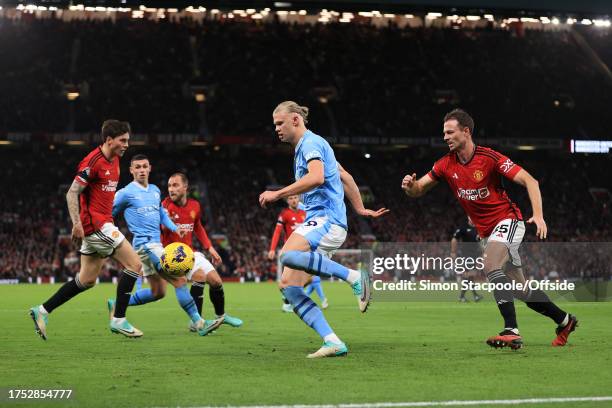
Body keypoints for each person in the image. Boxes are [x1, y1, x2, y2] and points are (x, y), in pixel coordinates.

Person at [401, 108, 578, 349]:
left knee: (490, 265)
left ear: (466, 132)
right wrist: (409, 186)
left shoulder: (490, 158)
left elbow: (530, 180)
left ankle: (511, 330)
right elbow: (419, 189)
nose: (445, 137)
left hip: (509, 221)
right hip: (488, 233)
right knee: (521, 290)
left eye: (450, 132)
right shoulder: (444, 165)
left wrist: (538, 215)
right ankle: (565, 320)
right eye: (443, 133)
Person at [259, 101, 388, 358]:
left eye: (279, 123)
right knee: (287, 285)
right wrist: (360, 209)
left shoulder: (310, 143)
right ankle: (332, 341)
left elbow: (317, 177)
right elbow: (346, 177)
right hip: (325, 221)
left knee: (287, 254)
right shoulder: (308, 147)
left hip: (326, 219)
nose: (276, 129)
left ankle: (354, 277)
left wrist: (278, 193)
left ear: (295, 119)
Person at [29, 120, 144, 339]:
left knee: (86, 280)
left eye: (127, 140)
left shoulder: (117, 159)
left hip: (102, 224)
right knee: (135, 265)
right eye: (123, 140)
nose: (127, 145)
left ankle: (42, 310)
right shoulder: (92, 162)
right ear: (109, 140)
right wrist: (77, 224)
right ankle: (119, 319)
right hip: (96, 225)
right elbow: (72, 193)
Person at [109, 155, 222, 336]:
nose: (141, 170)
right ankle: (199, 322)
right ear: (131, 170)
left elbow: (162, 214)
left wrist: (174, 228)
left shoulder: (154, 190)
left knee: (158, 292)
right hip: (146, 245)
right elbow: (109, 212)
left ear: (150, 168)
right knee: (180, 279)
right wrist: (111, 233)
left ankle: (117, 304)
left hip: (154, 245)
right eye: (137, 167)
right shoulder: (125, 192)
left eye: (144, 166)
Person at [161, 172, 242, 330]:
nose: (171, 189)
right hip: (173, 255)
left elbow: (198, 227)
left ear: (185, 187)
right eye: (169, 185)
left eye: (175, 185)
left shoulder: (195, 206)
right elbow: (160, 226)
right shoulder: (165, 206)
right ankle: (196, 322)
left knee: (216, 281)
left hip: (190, 252)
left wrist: (210, 248)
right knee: (199, 276)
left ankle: (221, 316)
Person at [267, 195, 328, 312]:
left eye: (295, 197)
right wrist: (272, 249)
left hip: (304, 249)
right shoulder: (284, 214)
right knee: (296, 278)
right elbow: (277, 232)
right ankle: (288, 301)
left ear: (299, 199)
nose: (293, 200)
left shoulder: (305, 213)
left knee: (311, 278)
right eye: (290, 198)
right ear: (287, 201)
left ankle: (289, 297)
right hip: (290, 251)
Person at [451, 217, 483, 302]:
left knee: (470, 276)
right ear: (468, 217)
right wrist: (453, 252)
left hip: (475, 256)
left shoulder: (477, 228)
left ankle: (473, 296)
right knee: (469, 275)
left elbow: (480, 242)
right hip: (466, 255)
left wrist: (482, 254)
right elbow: (454, 239)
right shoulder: (463, 228)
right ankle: (463, 296)